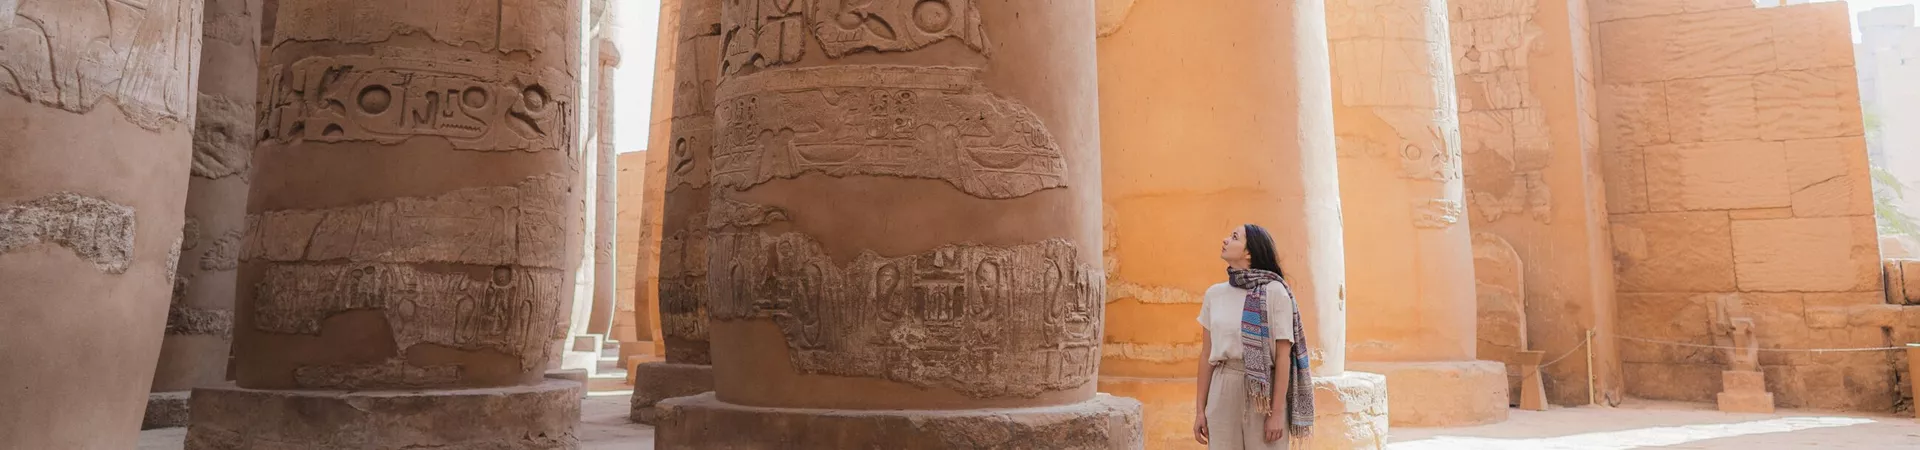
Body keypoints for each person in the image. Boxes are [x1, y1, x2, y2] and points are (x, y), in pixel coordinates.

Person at [1193, 224, 1313, 449]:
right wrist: (1200, 410)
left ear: (1249, 253)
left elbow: (1283, 357)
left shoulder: (1275, 292)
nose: (1225, 239)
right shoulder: (1214, 294)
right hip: (1223, 387)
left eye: (1234, 237)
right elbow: (1207, 354)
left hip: (1263, 392)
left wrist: (1277, 413)